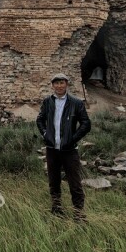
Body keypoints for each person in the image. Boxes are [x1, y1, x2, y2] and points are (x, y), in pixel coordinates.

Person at [36, 73, 91, 221]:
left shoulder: (76, 103)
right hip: (52, 149)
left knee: (75, 183)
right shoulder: (48, 102)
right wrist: (45, 134)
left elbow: (86, 124)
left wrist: (73, 139)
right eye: (56, 83)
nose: (59, 86)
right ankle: (56, 210)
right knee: (54, 182)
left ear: (66, 84)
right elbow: (40, 119)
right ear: (52, 85)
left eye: (62, 83)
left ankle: (78, 214)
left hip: (70, 150)